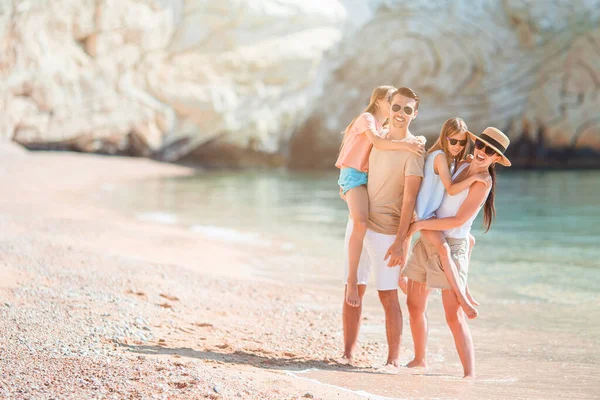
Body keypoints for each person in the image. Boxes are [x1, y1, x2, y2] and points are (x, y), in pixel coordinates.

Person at [402, 127, 512, 378]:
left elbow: (457, 220)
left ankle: (469, 375)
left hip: (450, 245)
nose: (483, 152)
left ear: (496, 159)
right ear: (476, 146)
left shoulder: (484, 183)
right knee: (414, 304)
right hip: (430, 238)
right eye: (482, 146)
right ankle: (419, 359)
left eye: (490, 151)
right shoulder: (462, 164)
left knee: (454, 316)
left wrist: (419, 224)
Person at [341, 87, 425, 367]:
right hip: (359, 225)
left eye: (407, 109)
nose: (400, 113)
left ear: (415, 114)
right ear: (389, 107)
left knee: (388, 295)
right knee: (353, 287)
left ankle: (393, 360)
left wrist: (402, 240)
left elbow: (411, 199)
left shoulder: (415, 150)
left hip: (388, 233)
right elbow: (356, 173)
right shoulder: (376, 139)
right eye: (397, 107)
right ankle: (347, 354)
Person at [398, 118, 490, 319]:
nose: (458, 146)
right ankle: (462, 297)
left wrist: (468, 168)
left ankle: (463, 287)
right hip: (424, 215)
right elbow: (450, 188)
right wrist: (474, 178)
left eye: (462, 143)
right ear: (444, 138)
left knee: (470, 240)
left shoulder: (449, 160)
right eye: (453, 141)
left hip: (429, 214)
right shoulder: (439, 156)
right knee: (443, 249)